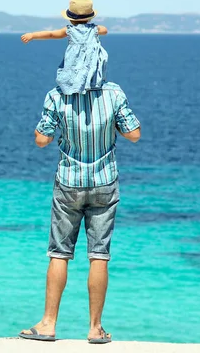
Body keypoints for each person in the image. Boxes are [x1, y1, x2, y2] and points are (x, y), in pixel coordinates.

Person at [18, 81, 141, 344]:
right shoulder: (114, 93)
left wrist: (49, 129)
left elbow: (42, 140)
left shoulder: (56, 95)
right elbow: (134, 134)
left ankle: (48, 324)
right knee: (99, 255)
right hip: (104, 183)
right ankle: (95, 328)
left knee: (59, 254)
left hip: (69, 183)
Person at [21, 0, 108, 95]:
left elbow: (51, 34)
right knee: (92, 69)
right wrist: (96, 28)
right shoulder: (94, 29)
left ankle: (72, 89)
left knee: (72, 73)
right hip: (91, 61)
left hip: (75, 62)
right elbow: (105, 30)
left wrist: (32, 35)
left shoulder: (69, 30)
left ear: (70, 18)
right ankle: (91, 85)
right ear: (89, 18)